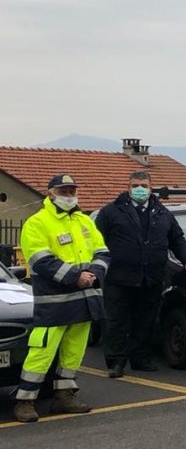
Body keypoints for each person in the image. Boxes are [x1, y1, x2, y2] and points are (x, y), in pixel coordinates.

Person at [12, 174, 111, 423]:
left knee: (73, 354)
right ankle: (25, 401)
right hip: (54, 302)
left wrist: (93, 274)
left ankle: (64, 396)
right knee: (41, 353)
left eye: (71, 191)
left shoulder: (84, 221)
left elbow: (102, 252)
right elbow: (41, 260)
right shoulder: (37, 223)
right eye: (63, 191)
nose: (68, 195)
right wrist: (76, 277)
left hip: (84, 299)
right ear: (50, 193)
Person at [95, 170, 186, 378]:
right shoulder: (111, 212)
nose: (140, 190)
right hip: (119, 277)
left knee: (145, 320)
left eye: (144, 186)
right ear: (128, 187)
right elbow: (96, 241)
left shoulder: (162, 213)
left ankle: (140, 359)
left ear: (151, 188)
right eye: (136, 185)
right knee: (117, 322)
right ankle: (116, 362)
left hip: (151, 277)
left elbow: (177, 239)